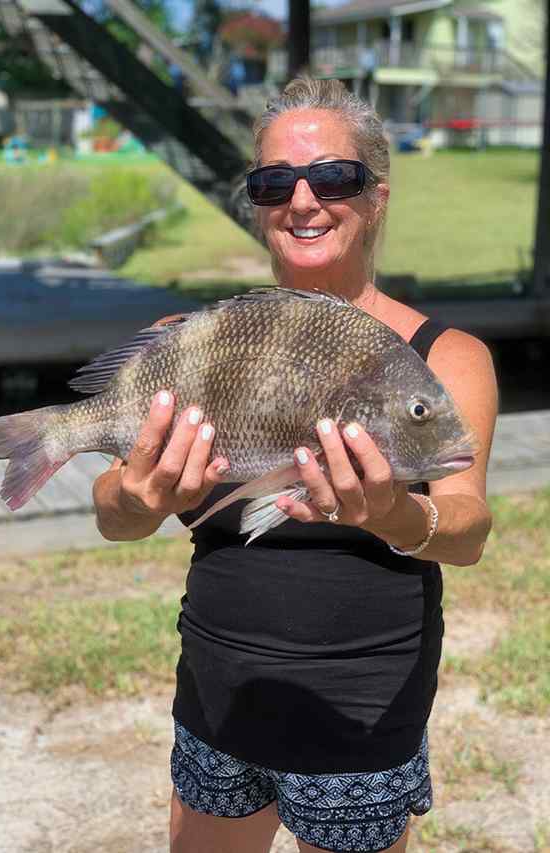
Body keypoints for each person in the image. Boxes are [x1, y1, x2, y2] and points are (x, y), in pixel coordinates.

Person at [92, 77, 498, 853]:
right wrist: (138, 499)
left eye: (333, 177)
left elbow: (469, 529)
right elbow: (114, 515)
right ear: (257, 203)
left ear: (376, 196)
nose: (302, 200)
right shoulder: (188, 340)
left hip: (362, 713)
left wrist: (395, 514)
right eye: (274, 183)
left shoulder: (444, 359)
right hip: (217, 692)